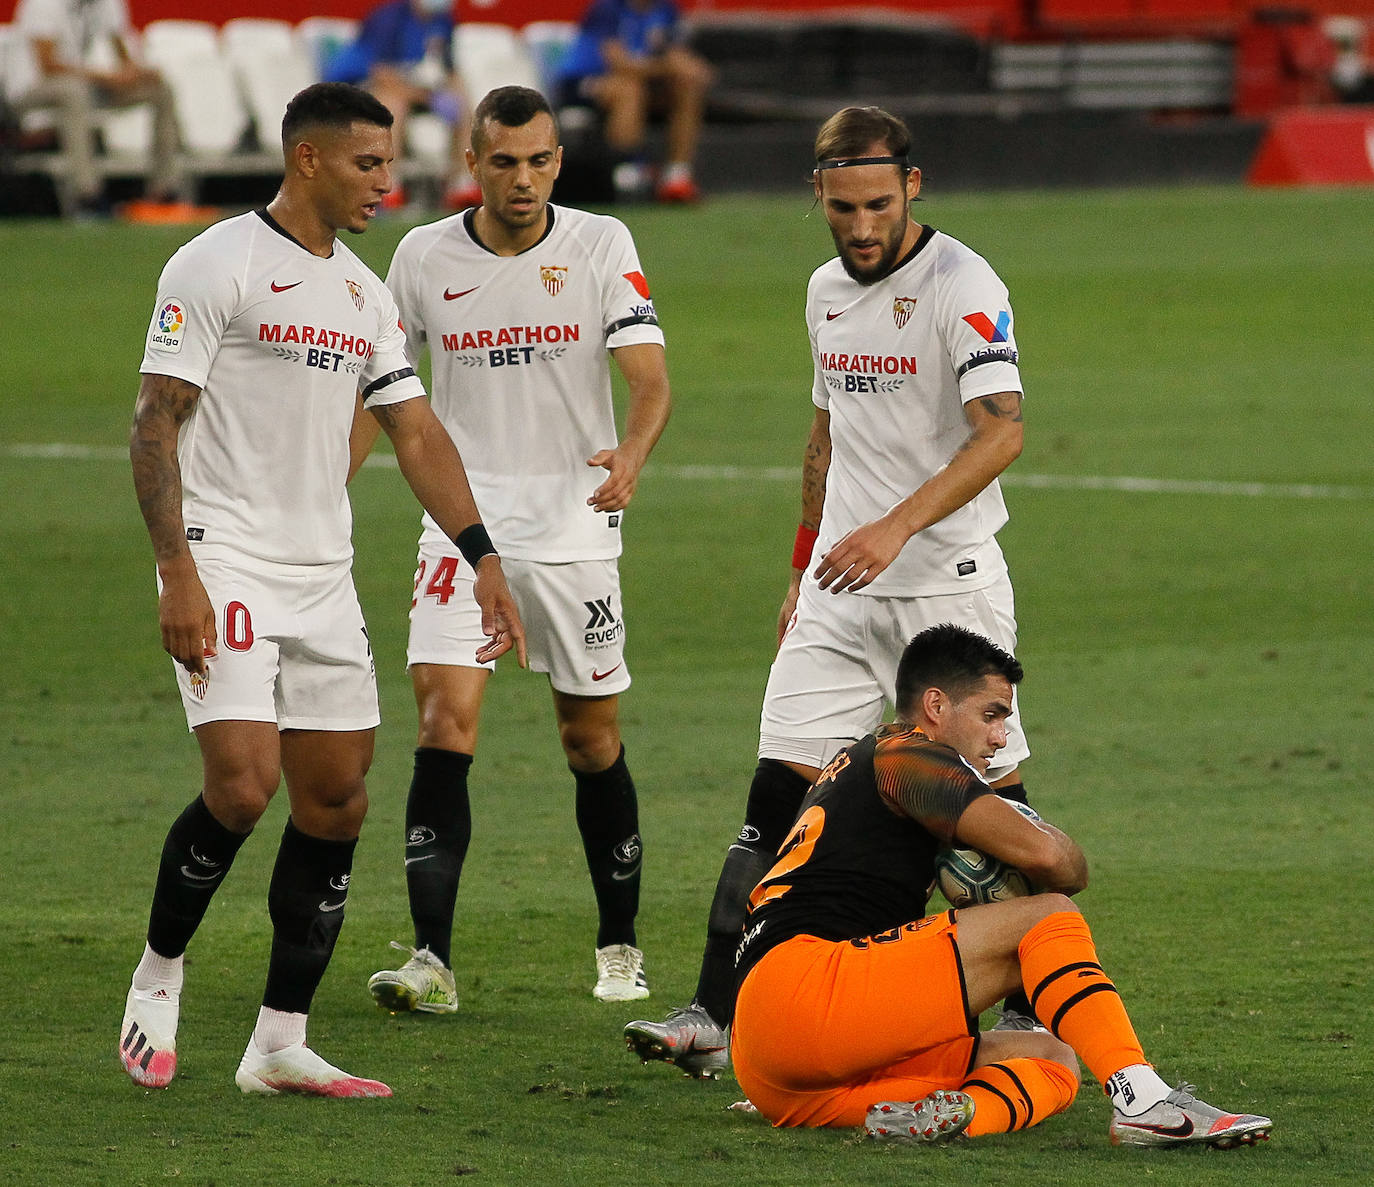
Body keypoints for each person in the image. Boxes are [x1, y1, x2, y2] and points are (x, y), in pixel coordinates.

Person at [119, 81, 526, 1098]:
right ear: (308, 159)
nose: (386, 184)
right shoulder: (216, 263)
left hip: (323, 573)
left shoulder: (363, 292)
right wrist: (178, 569)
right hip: (227, 559)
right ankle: (159, 973)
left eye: (390, 166)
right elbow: (155, 420)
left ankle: (278, 1042)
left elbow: (416, 432)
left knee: (337, 801)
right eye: (367, 165)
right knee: (244, 785)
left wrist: (481, 554)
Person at [625, 104, 1033, 1077]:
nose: (860, 226)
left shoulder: (962, 284)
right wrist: (800, 566)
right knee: (774, 796)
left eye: (879, 205)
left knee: (993, 809)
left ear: (914, 187)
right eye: (842, 206)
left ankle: (1017, 1017)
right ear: (818, 192)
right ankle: (715, 1011)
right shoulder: (823, 291)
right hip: (839, 594)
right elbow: (825, 436)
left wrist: (898, 524)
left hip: (949, 591)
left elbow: (1003, 429)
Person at [356, 84, 671, 1012]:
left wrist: (634, 455)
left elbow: (649, 380)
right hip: (463, 528)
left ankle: (620, 947)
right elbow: (383, 395)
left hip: (576, 530)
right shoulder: (419, 257)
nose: (523, 179)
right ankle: (431, 960)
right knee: (443, 725)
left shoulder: (602, 244)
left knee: (590, 738)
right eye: (504, 162)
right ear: (472, 163)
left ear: (557, 163)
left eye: (538, 161)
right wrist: (321, 481)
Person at [729, 623, 1272, 1150]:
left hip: (772, 1064)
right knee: (1048, 915)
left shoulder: (849, 765)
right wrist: (1035, 838)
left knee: (1052, 1057)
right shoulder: (908, 754)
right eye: (991, 714)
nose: (1001, 736)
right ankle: (1143, 1100)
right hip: (808, 993)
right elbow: (1055, 862)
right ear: (936, 707)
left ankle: (961, 1115)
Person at [5, 0, 184, 216]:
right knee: (74, 93)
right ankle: (87, 196)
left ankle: (164, 192)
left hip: (84, 85)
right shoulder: (43, 4)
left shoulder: (107, 3)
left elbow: (122, 55)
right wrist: (107, 77)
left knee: (159, 90)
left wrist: (138, 73)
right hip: (29, 90)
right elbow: (48, 65)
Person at [324, 0, 479, 210]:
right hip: (358, 85)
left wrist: (453, 97)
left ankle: (462, 183)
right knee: (393, 105)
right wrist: (429, 98)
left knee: (460, 92)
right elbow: (381, 73)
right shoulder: (389, 18)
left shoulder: (443, 20)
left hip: (412, 84)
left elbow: (447, 67)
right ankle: (389, 187)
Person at [558, 0, 711, 203]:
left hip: (642, 79)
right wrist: (668, 67)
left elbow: (675, 53)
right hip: (585, 81)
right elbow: (619, 63)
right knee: (629, 90)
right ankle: (626, 170)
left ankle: (677, 175)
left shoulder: (665, 9)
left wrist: (687, 69)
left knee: (686, 87)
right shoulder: (608, 9)